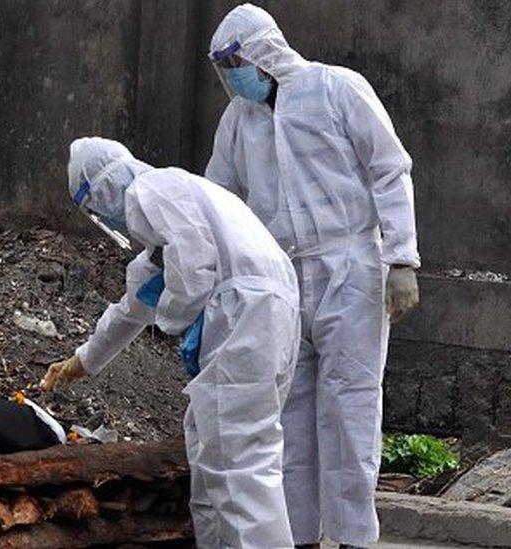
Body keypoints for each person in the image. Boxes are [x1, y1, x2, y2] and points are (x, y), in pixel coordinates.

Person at [204, 5, 421, 548]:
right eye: (223, 66)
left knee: (350, 404)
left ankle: (352, 538)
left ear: (262, 52)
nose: (232, 75)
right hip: (279, 277)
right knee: (290, 411)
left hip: (350, 269)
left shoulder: (336, 90)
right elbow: (219, 199)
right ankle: (297, 537)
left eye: (235, 62)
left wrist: (401, 258)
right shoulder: (239, 120)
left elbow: (388, 168)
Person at [42, 136, 301, 548]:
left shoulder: (152, 190)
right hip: (267, 314)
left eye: (93, 207)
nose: (103, 218)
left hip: (244, 319)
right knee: (211, 454)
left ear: (102, 189)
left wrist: (176, 318)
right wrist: (82, 361)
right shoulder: (177, 212)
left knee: (240, 464)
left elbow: (194, 268)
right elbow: (131, 309)